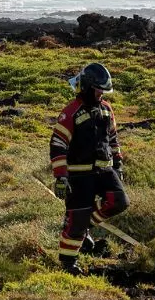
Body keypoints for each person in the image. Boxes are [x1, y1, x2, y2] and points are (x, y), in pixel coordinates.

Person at [49, 62, 129, 275]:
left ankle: (85, 228)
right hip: (79, 175)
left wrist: (118, 163)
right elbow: (58, 145)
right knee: (76, 222)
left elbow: (112, 138)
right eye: (98, 89)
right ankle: (68, 263)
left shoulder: (106, 109)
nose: (101, 93)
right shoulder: (70, 112)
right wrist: (61, 177)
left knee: (119, 201)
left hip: (104, 171)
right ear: (86, 86)